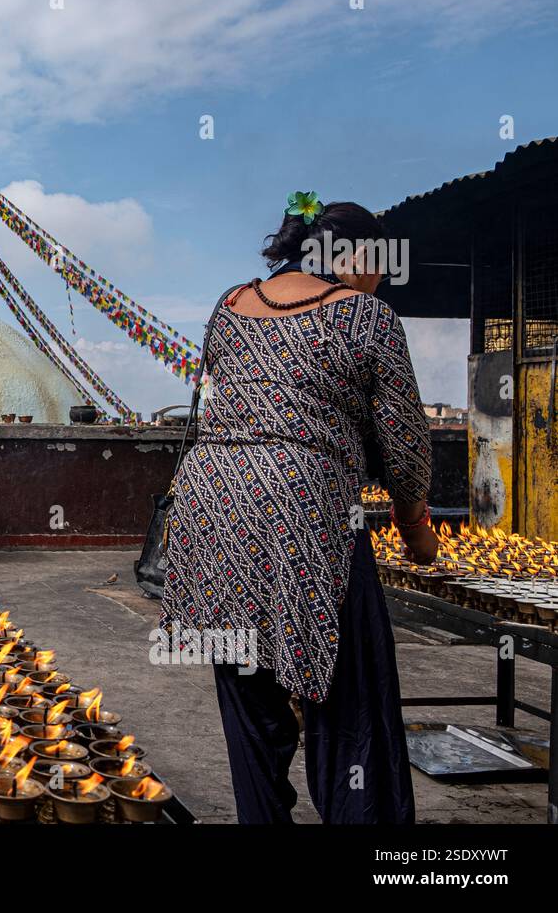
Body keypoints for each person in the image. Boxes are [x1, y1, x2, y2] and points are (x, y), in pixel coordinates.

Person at [161, 194, 439, 824]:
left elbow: (222, 398)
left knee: (248, 692)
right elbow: (402, 439)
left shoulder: (228, 306)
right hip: (307, 515)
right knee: (351, 702)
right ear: (355, 255)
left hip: (214, 512)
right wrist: (417, 529)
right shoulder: (366, 317)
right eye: (379, 264)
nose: (380, 280)